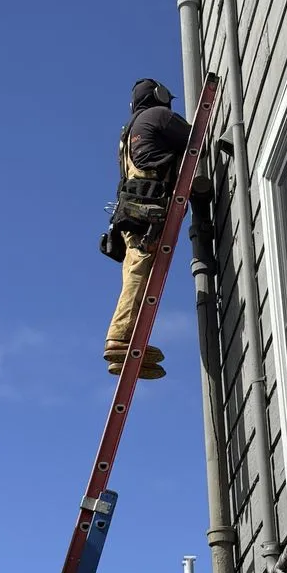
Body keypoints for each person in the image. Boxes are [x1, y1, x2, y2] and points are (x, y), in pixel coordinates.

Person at [103, 78, 191, 379]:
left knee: (133, 271)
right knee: (140, 271)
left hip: (129, 212)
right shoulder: (159, 116)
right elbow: (195, 141)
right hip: (147, 209)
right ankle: (119, 336)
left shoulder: (126, 134)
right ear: (160, 96)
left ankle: (123, 347)